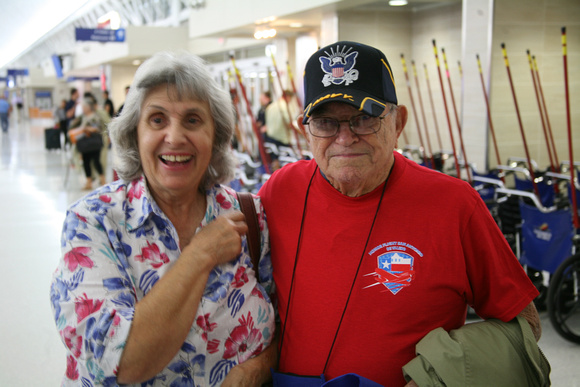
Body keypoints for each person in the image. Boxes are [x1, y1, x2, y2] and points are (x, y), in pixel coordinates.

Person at [258, 41, 546, 386]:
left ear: (398, 122)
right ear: (305, 130)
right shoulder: (279, 191)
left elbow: (525, 324)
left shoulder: (454, 204)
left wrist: (441, 375)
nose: (345, 138)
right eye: (325, 122)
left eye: (364, 119)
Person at [50, 51, 276, 387]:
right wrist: (200, 254)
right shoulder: (94, 222)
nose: (174, 137)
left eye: (193, 120)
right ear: (134, 134)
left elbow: (284, 327)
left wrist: (254, 370)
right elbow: (120, 363)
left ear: (215, 135)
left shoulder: (248, 214)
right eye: (157, 119)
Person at [69, 96, 107, 190]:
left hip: (94, 143)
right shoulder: (83, 117)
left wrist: (86, 129)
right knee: (86, 162)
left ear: (88, 107)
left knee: (97, 162)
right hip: (85, 144)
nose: (83, 109)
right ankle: (89, 182)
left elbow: (97, 128)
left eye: (83, 107)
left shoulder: (95, 116)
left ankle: (102, 180)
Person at [263, 90, 299, 170]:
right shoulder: (284, 107)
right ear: (288, 97)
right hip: (281, 139)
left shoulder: (270, 106)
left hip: (270, 137)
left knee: (275, 161)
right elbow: (289, 124)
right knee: (286, 163)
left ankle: (275, 179)